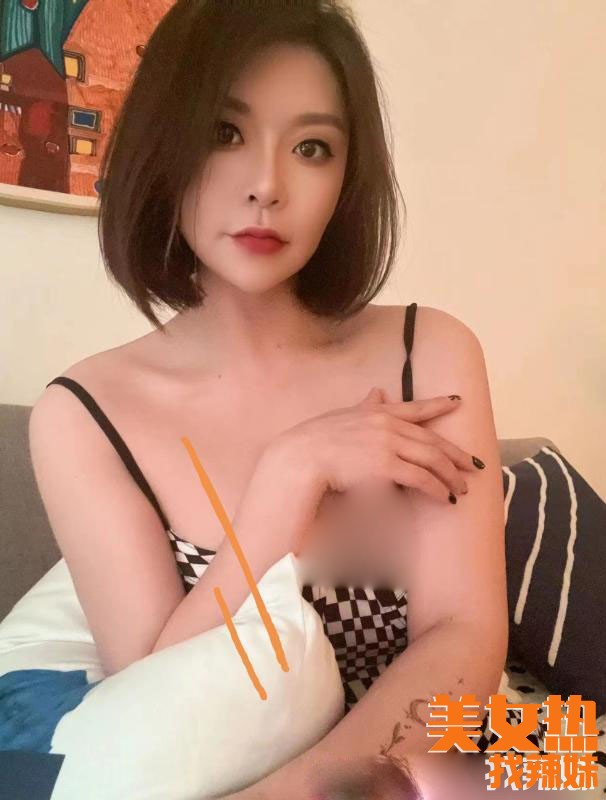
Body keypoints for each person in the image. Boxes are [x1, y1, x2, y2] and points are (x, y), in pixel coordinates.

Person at [28, 1, 544, 797]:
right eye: (225, 132)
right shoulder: (83, 414)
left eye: (312, 148)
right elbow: (152, 699)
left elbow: (465, 638)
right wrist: (287, 478)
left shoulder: (430, 352)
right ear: (163, 144)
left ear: (347, 179)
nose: (267, 186)